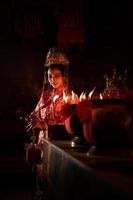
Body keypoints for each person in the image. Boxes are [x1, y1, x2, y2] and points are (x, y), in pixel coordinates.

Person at [26, 48, 79, 145]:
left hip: (61, 143)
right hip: (43, 141)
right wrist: (33, 119)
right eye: (50, 76)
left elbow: (73, 126)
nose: (52, 79)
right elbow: (37, 114)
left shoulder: (71, 97)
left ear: (64, 77)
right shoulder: (46, 95)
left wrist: (44, 126)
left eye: (57, 76)